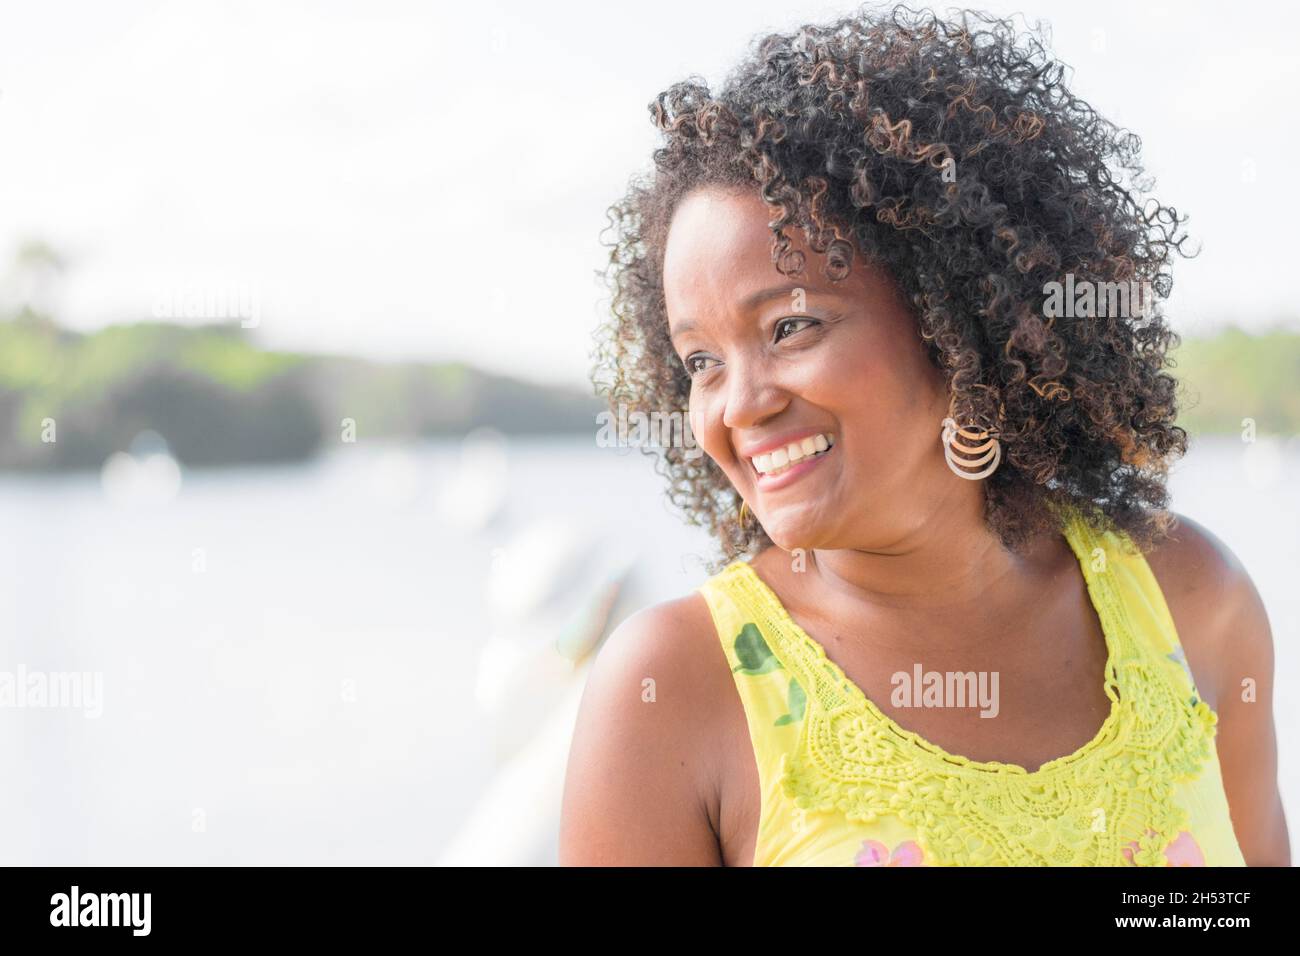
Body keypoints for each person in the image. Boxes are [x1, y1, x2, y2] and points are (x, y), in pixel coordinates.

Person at [560, 4, 1288, 866]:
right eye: (701, 361)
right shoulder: (673, 693)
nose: (738, 406)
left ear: (961, 325)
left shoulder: (1189, 600)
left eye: (791, 329)